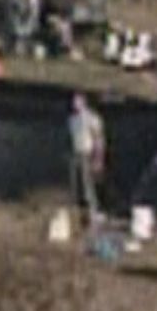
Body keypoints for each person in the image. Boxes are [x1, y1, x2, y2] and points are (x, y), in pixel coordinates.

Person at [69, 92, 107, 226]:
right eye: (74, 101)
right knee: (79, 185)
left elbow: (98, 138)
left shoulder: (91, 118)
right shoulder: (72, 120)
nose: (75, 104)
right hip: (77, 153)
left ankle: (95, 212)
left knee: (89, 185)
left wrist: (98, 157)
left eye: (78, 101)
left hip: (88, 153)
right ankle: (82, 214)